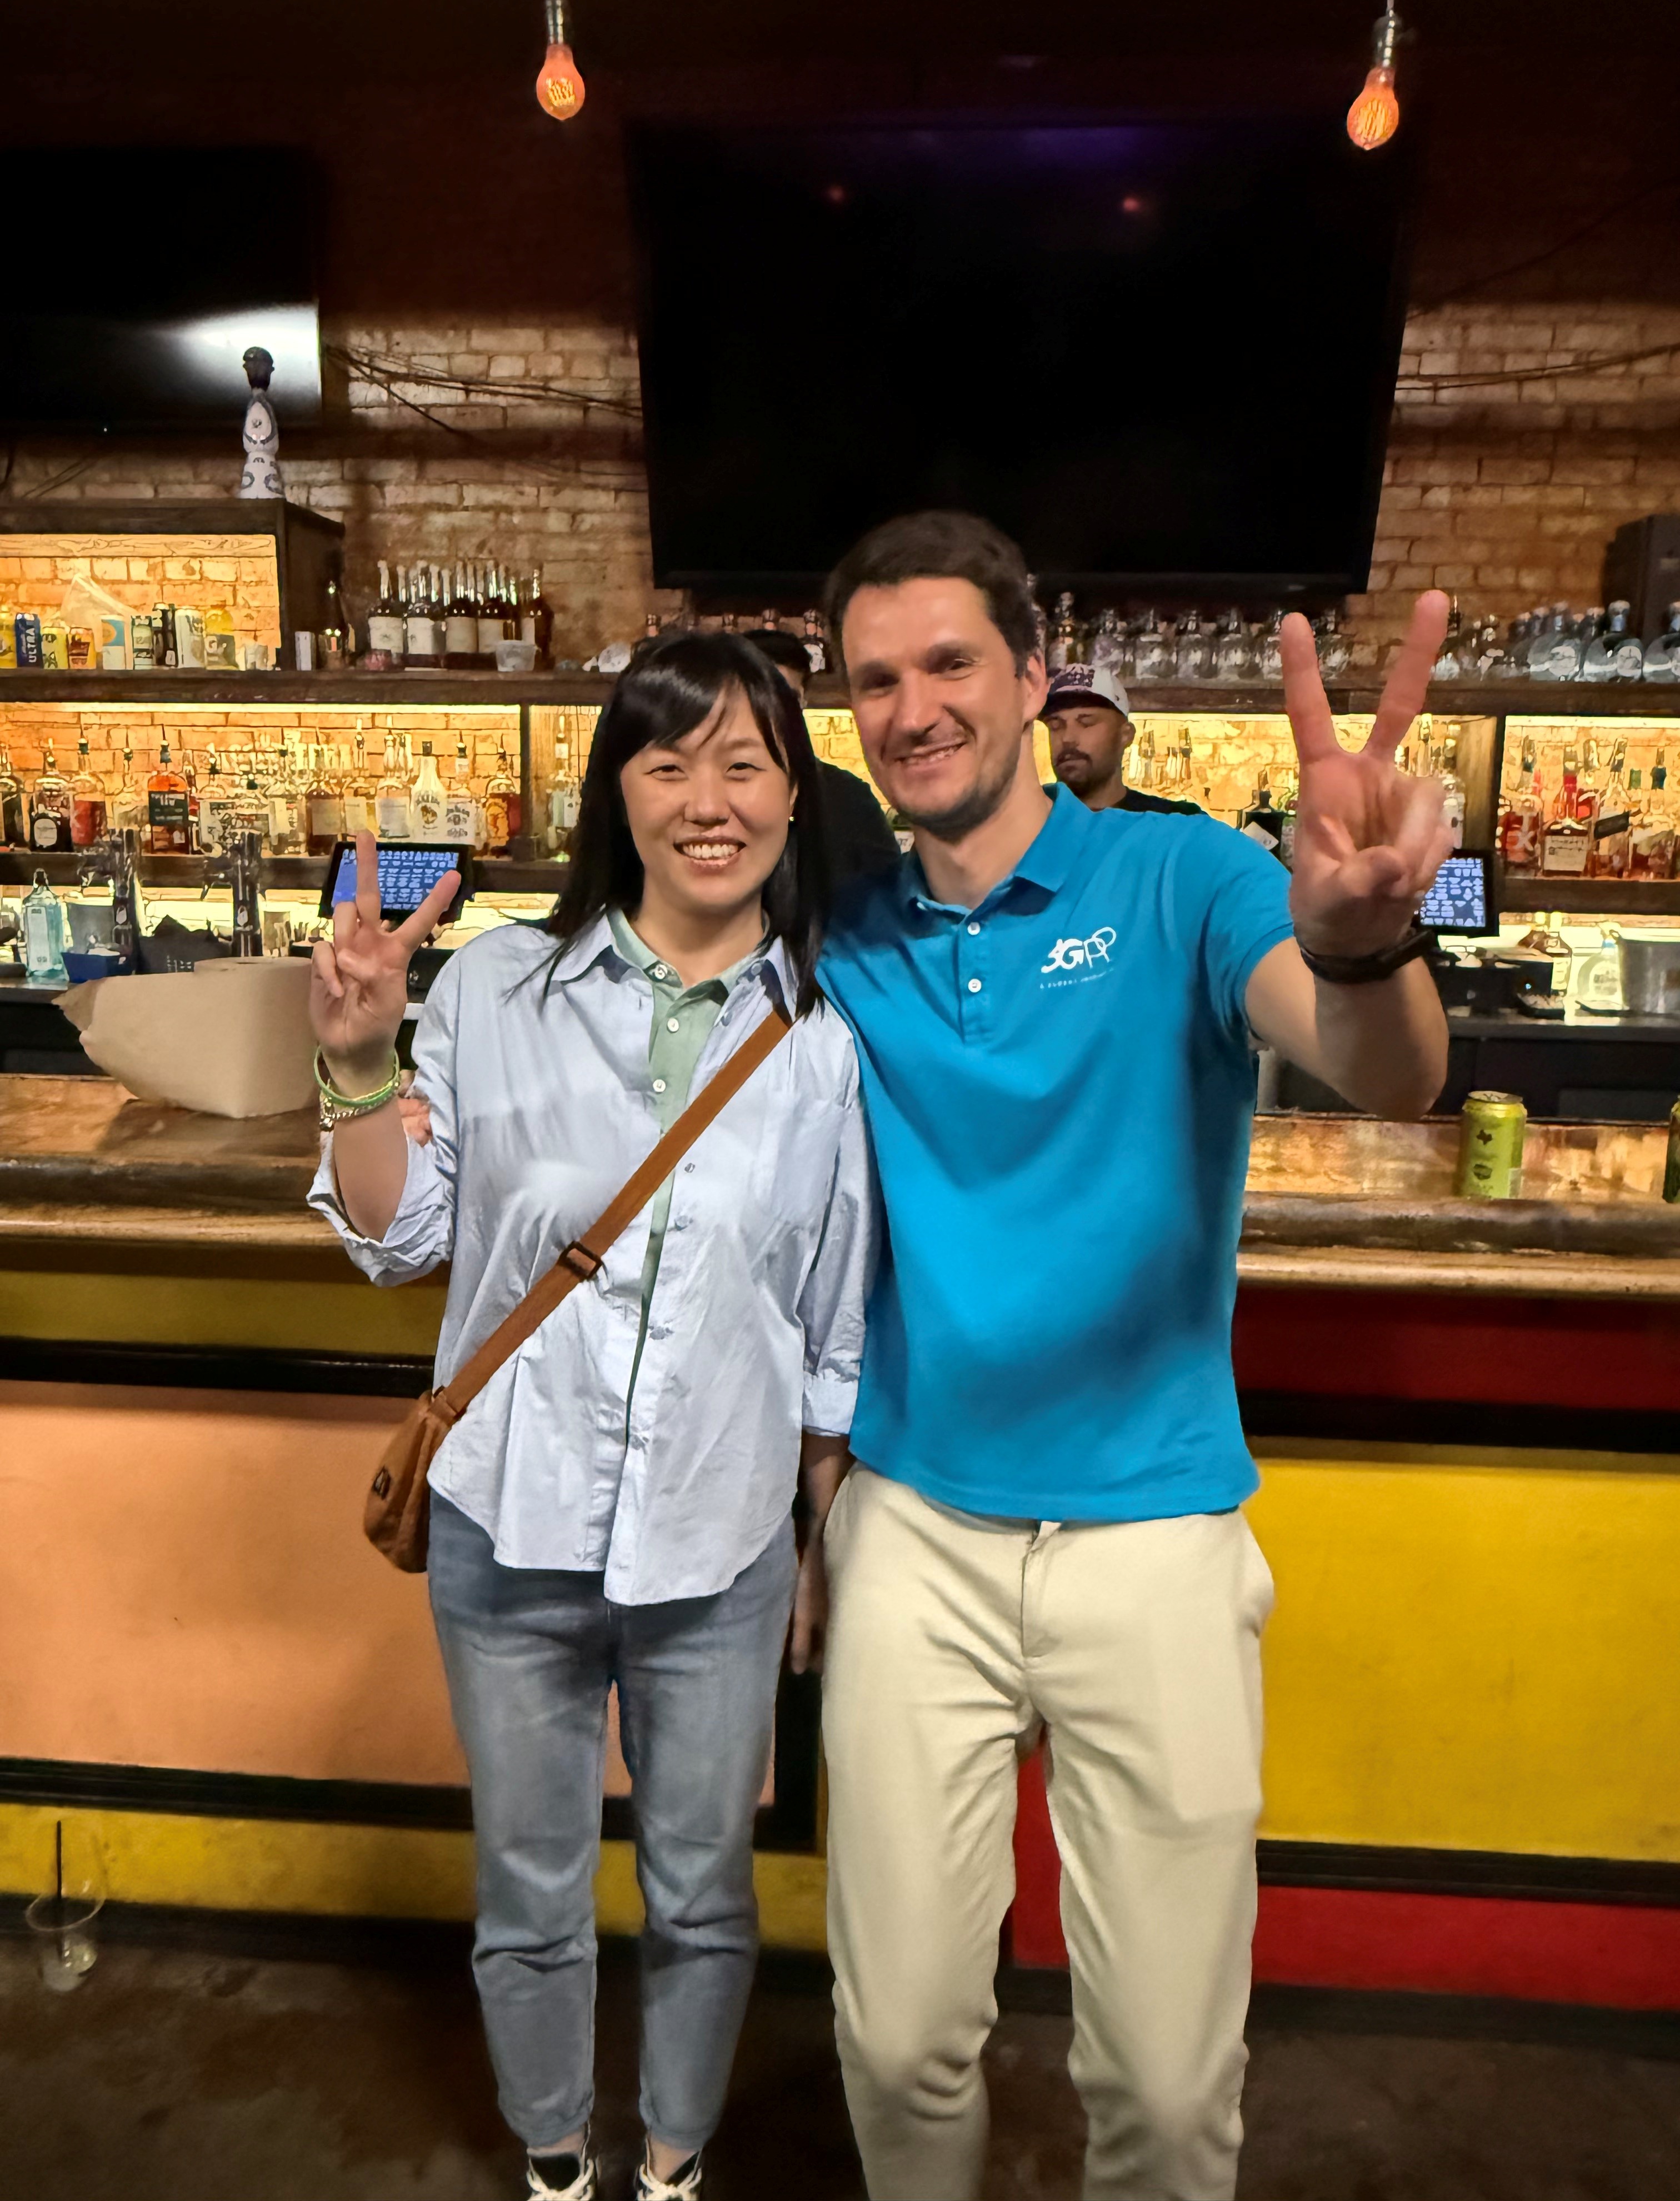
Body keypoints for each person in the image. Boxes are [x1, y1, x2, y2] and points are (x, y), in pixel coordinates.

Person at [804, 511, 1451, 2201]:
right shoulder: (845, 933)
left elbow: (1388, 1074)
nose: (914, 708)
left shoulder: (1186, 879)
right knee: (894, 2045)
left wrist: (1366, 937)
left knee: (1164, 2089)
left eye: (952, 662)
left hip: (1155, 1529)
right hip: (914, 1526)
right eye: (875, 680)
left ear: (1036, 677)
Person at [307, 632, 874, 2201]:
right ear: (616, 791)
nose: (709, 801)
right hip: (512, 1524)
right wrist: (356, 1066)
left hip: (718, 1539)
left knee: (703, 1893)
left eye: (746, 764)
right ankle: (557, 2159)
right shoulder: (499, 987)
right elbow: (401, 1239)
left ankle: (674, 2164)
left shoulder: (827, 1038)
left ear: (793, 796)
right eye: (668, 762)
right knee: (531, 1890)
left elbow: (831, 1320)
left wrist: (817, 1543)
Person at [744, 626, 903, 883]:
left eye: (788, 698)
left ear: (803, 701)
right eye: (763, 696)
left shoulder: (847, 796)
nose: (775, 710)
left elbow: (890, 889)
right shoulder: (713, 797)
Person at [1042, 661, 1200, 815]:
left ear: (1126, 735)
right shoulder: (1032, 821)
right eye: (1055, 726)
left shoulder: (1176, 823)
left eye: (1086, 723)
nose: (1068, 738)